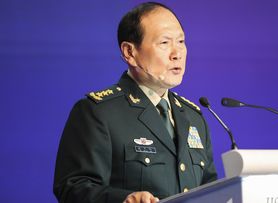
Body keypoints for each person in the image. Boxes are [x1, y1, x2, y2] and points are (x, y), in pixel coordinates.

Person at [53, 2, 217, 203]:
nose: (177, 53)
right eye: (164, 43)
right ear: (130, 52)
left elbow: (211, 191)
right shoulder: (98, 112)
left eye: (181, 41)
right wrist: (124, 199)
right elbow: (73, 187)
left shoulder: (194, 117)